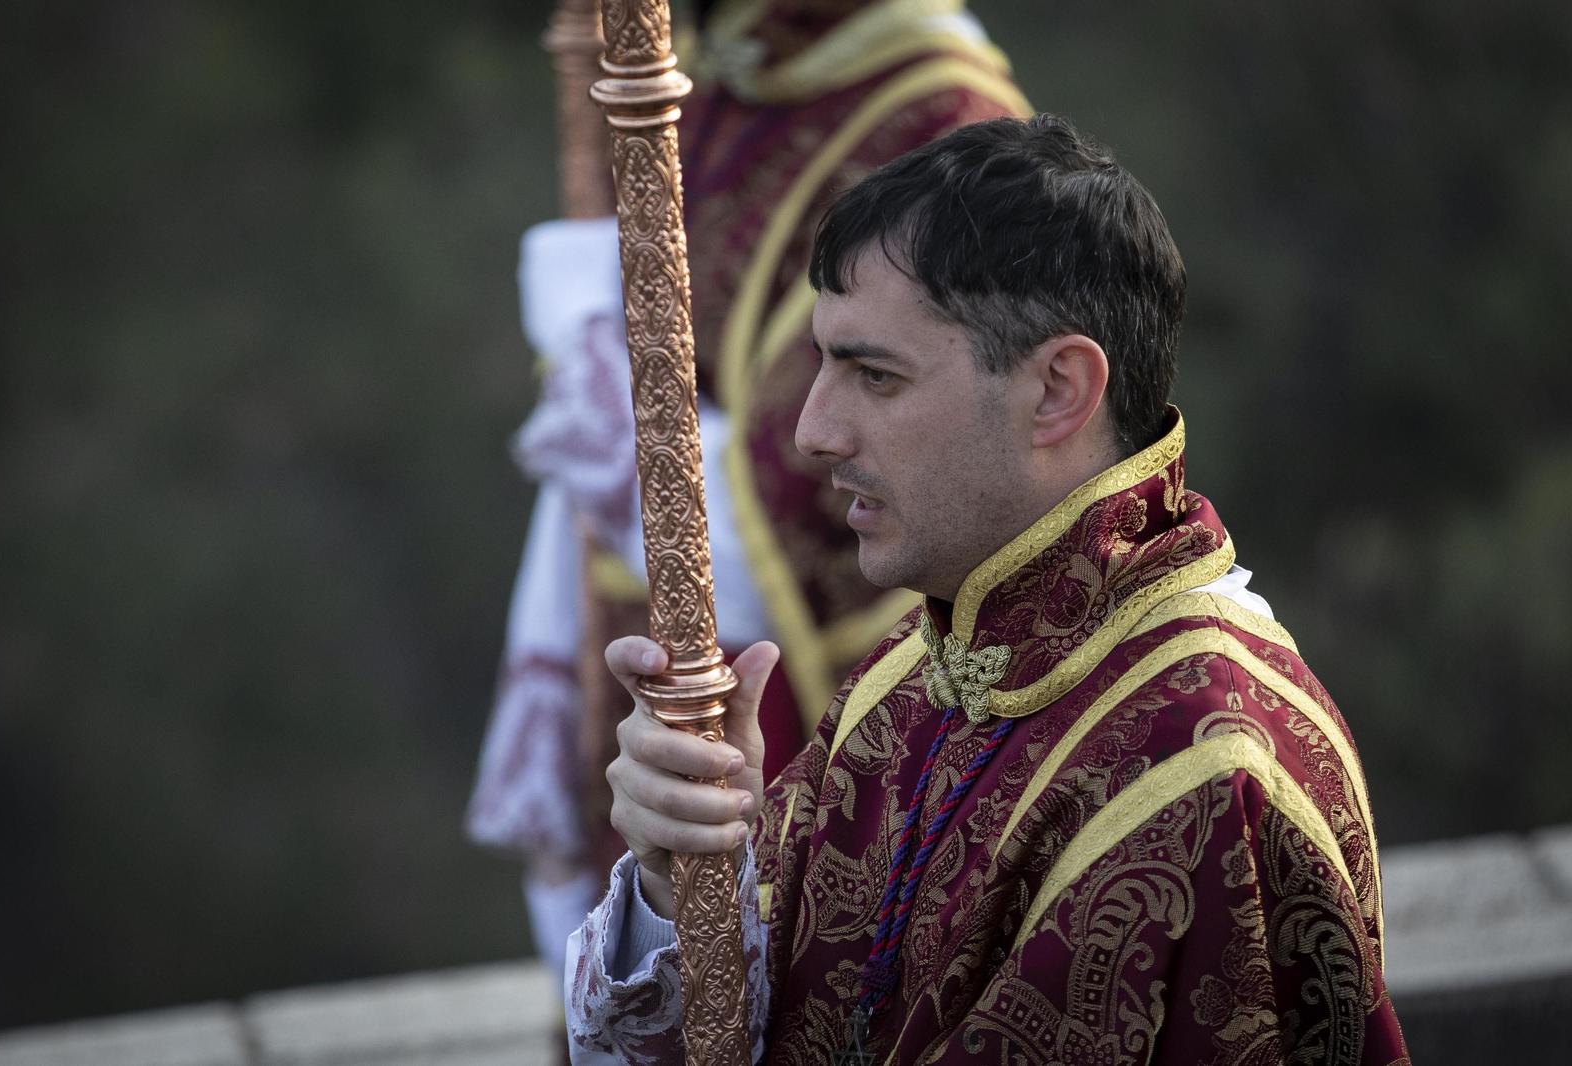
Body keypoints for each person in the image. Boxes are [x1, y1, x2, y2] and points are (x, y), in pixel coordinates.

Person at [566, 115, 1409, 1064]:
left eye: (872, 375)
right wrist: (685, 876)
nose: (812, 431)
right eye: (821, 365)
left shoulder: (1210, 769)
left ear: (1056, 391)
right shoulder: (916, 674)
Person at [465, 0, 1032, 995]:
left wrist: (595, 357)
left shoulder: (937, 118)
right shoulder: (715, 80)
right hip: (653, 694)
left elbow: (824, 468)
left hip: (786, 719)